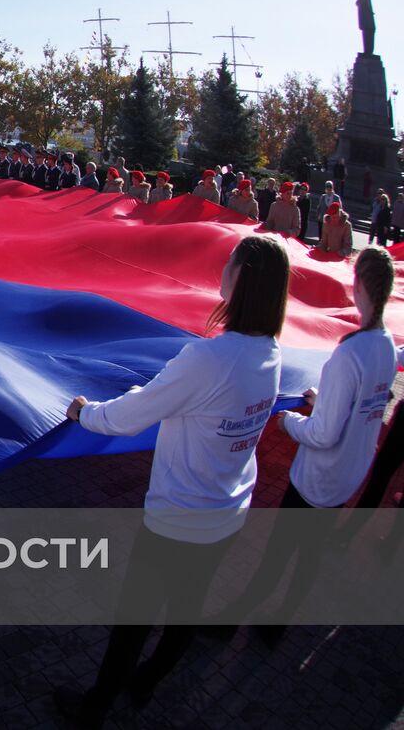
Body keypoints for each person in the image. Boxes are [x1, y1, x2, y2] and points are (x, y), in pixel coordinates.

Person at [57, 234, 290, 723]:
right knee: (186, 609)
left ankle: (97, 706)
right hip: (226, 509)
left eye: (230, 262)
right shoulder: (270, 353)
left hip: (179, 516)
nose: (222, 267)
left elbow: (127, 418)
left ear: (241, 278)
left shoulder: (209, 359)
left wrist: (85, 413)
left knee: (134, 619)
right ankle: (145, 685)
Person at [219, 246, 396, 640]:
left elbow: (323, 434)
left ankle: (233, 621)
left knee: (278, 553)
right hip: (349, 475)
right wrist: (326, 403)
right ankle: (281, 620)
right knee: (309, 557)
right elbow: (370, 400)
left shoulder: (349, 353)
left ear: (358, 286)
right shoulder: (386, 346)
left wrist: (291, 423)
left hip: (318, 478)